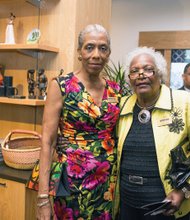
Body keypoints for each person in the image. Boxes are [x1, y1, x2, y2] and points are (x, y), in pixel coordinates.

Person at [37, 24, 122, 220]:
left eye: (103, 48)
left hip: (108, 182)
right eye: (89, 47)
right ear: (79, 52)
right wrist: (43, 198)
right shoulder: (61, 86)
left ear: (108, 53)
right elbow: (47, 142)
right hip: (71, 180)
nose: (96, 54)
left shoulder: (116, 90)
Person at [114, 47, 190, 220]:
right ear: (129, 78)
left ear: (160, 74)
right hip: (127, 204)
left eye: (148, 69)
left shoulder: (184, 102)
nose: (141, 75)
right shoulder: (121, 105)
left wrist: (183, 191)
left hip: (167, 204)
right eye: (134, 71)